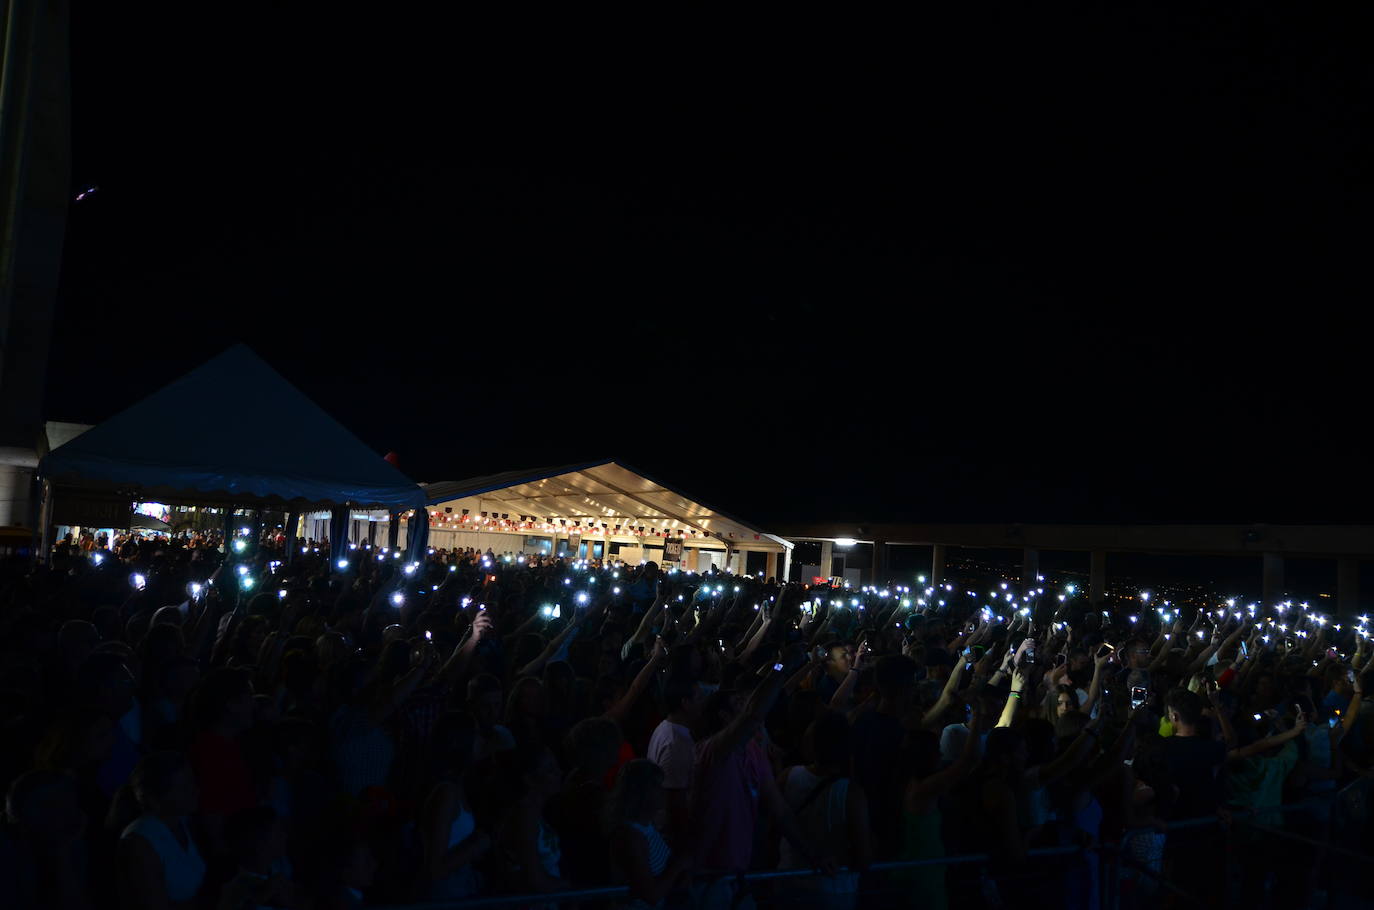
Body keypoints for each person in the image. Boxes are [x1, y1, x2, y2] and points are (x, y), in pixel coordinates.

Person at [775, 710, 871, 910]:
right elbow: (863, 856)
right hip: (833, 887)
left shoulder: (788, 776)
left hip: (789, 878)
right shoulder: (850, 793)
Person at [117, 751, 206, 910]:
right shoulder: (140, 843)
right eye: (184, 787)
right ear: (155, 799)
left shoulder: (183, 822)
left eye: (192, 783)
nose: (196, 790)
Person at [418, 712, 490, 901]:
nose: (482, 740)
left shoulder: (456, 788)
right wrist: (476, 846)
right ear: (459, 741)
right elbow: (434, 869)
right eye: (476, 734)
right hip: (445, 899)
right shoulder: (447, 793)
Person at [607, 760, 691, 910]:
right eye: (656, 786)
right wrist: (678, 866)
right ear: (641, 791)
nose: (663, 791)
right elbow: (651, 895)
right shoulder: (630, 836)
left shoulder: (647, 826)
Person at [647, 673, 705, 848]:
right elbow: (675, 801)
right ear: (685, 703)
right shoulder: (676, 743)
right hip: (671, 837)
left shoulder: (666, 728)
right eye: (699, 698)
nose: (703, 702)